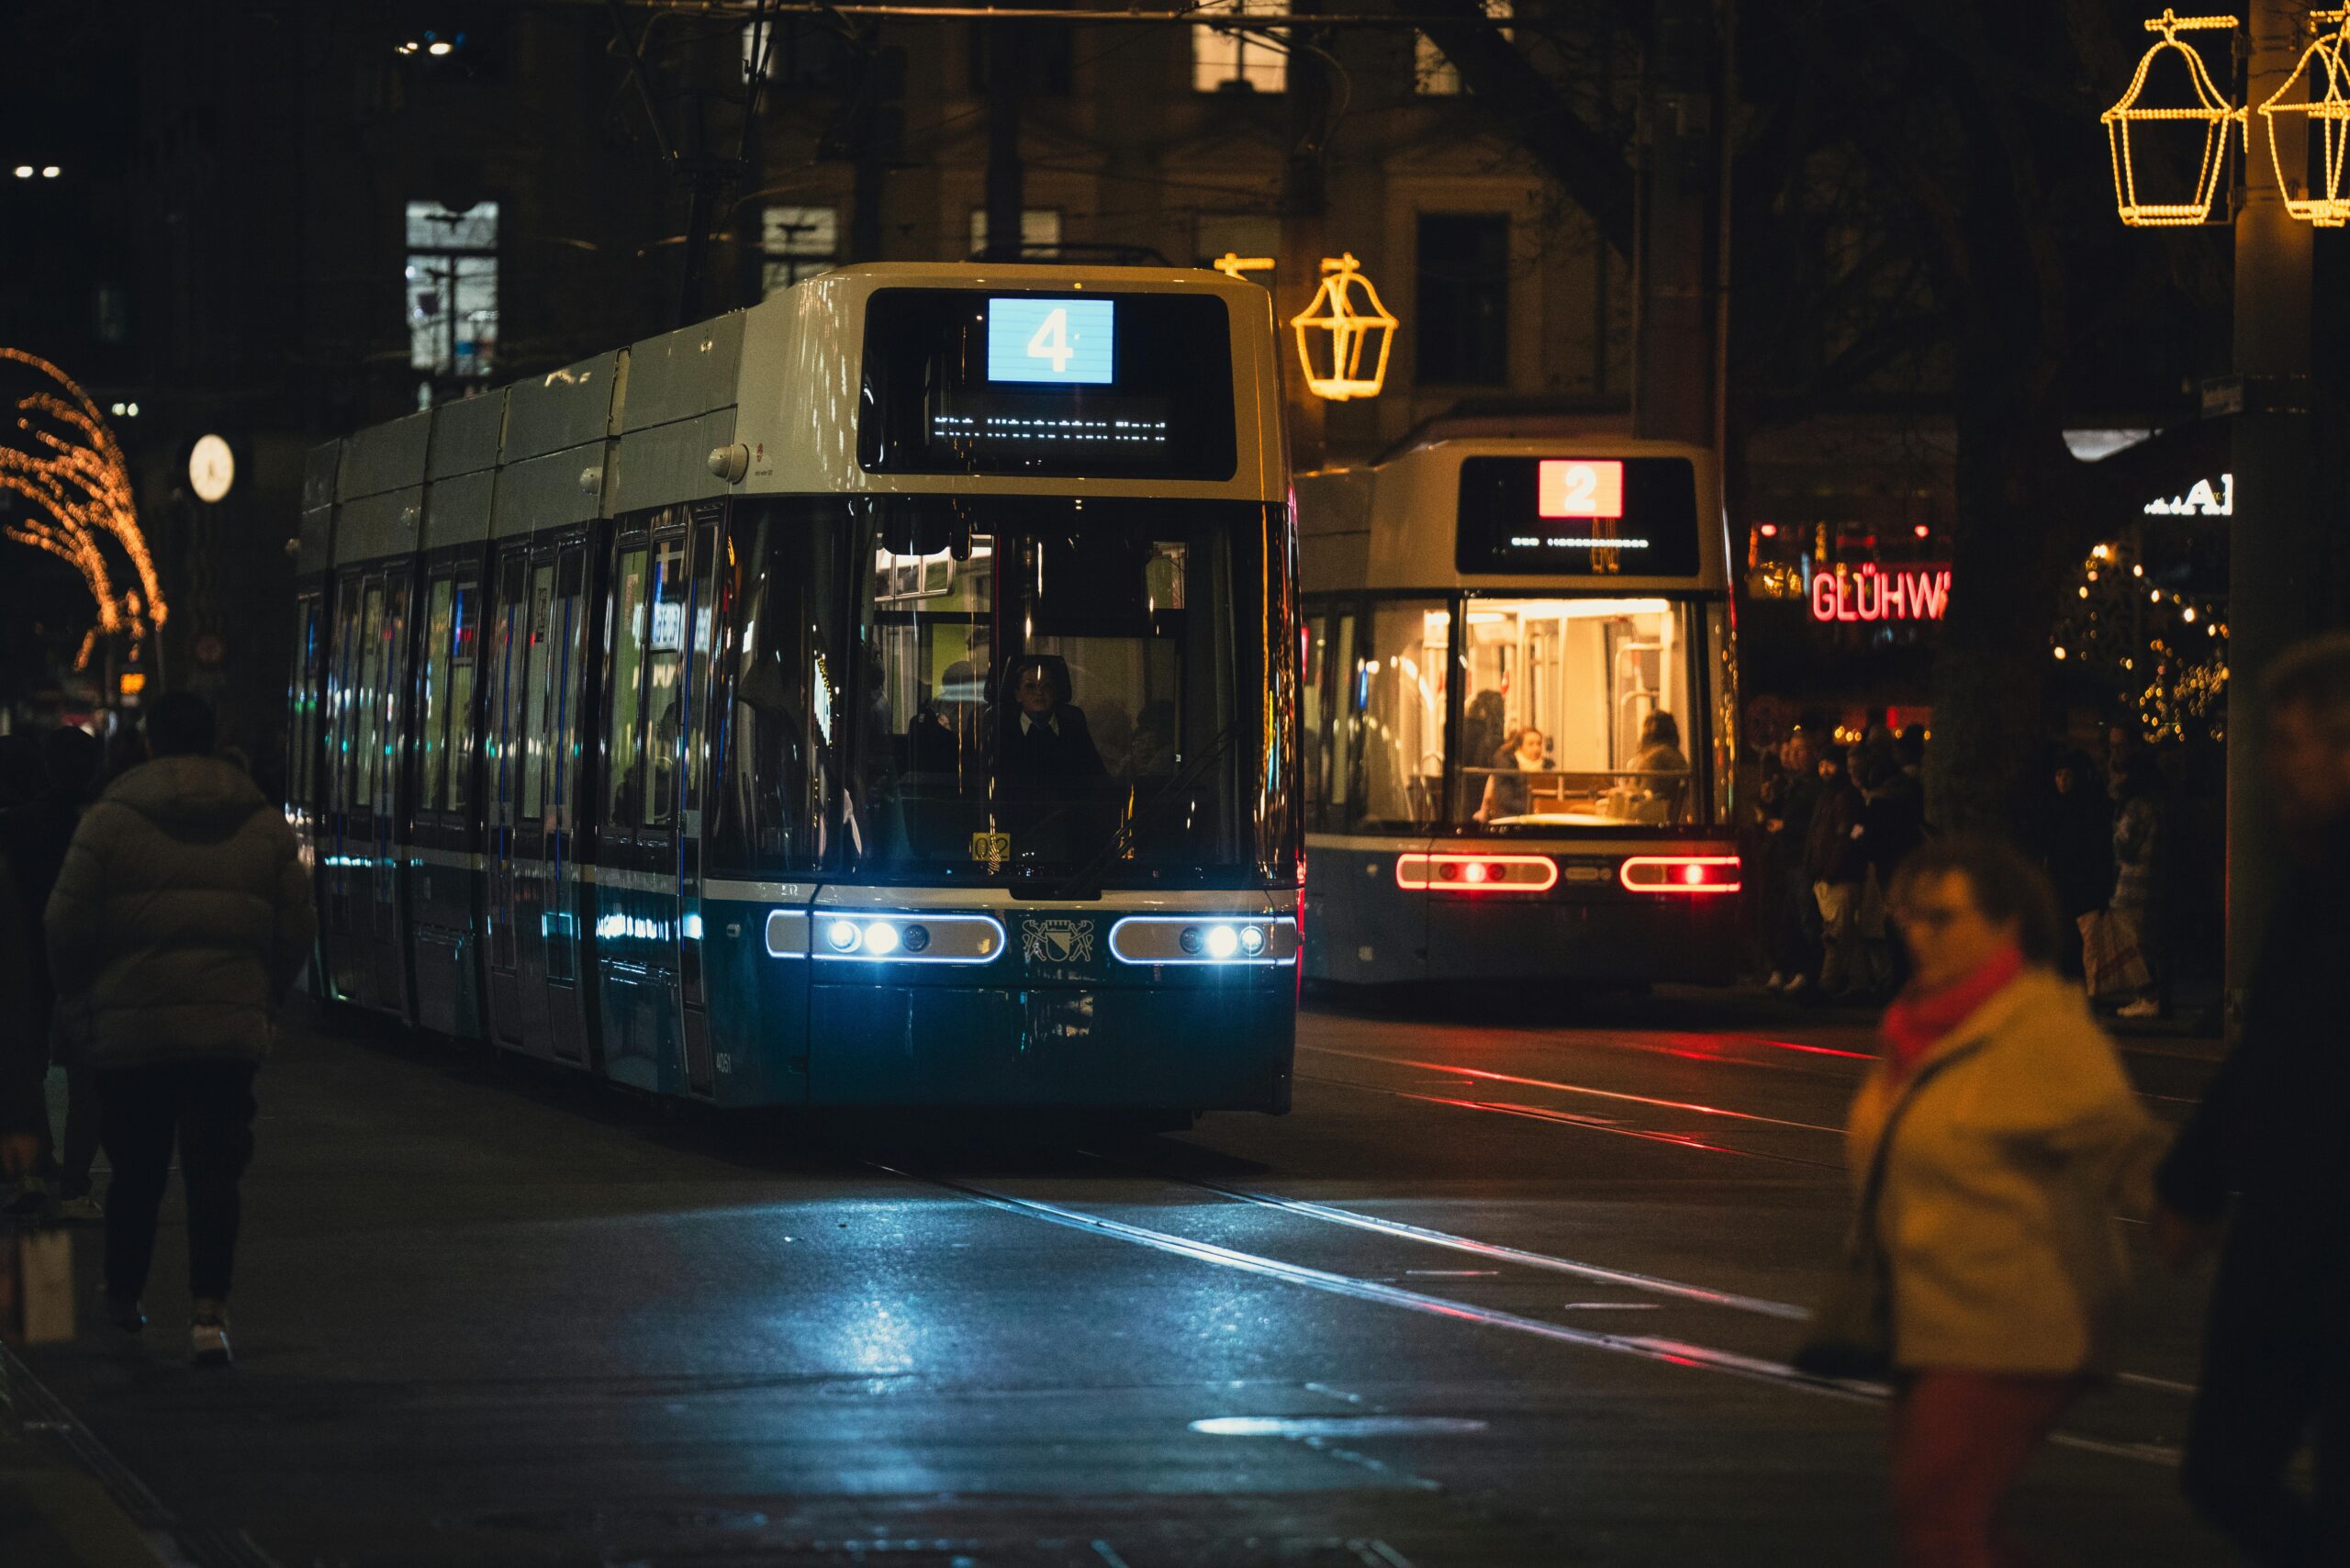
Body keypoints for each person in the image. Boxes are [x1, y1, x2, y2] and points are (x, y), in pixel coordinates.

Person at [1847, 835, 2163, 1567]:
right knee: (1947, 1522)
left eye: (1941, 917)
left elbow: (2122, 1143)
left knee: (1944, 1523)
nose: (1917, 933)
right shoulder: (1920, 1026)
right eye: (1907, 916)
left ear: (2007, 925)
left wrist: (2187, 1208)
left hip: (2011, 1324)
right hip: (1931, 1321)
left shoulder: (2037, 1027)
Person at [45, 692, 316, 1367]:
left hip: (132, 1029)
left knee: (136, 1169)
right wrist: (264, 998)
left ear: (149, 743)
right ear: (214, 737)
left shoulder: (109, 820)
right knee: (216, 1169)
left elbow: (64, 925)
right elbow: (295, 926)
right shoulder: (262, 821)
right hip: (226, 1027)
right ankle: (208, 1312)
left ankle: (125, 1298)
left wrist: (81, 1004)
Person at [2154, 633, 2350, 1564]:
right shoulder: (2315, 874)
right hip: (2302, 1221)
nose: (2273, 764)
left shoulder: (2323, 883)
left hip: (2311, 1227)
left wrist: (2193, 1183)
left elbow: (2286, 1049)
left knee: (2230, 1468)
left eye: (2291, 740)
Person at [1, 724, 105, 1220]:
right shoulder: (103, 825)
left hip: (26, 960)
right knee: (88, 1077)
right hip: (86, 962)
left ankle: (33, 1167)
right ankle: (75, 1184)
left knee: (25, 1070)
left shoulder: (17, 825)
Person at [2042, 748, 2114, 980]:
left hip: (2082, 884)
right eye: (2058, 775)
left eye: (2067, 775)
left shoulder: (2088, 809)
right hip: (2062, 882)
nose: (2061, 781)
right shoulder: (2056, 807)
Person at [1803, 745, 1867, 1000]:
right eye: (1821, 765)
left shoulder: (1844, 797)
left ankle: (1827, 984)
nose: (1824, 770)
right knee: (1845, 933)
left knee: (1836, 934)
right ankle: (1858, 983)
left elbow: (1847, 836)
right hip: (1829, 874)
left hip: (1840, 876)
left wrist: (1830, 869)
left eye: (1830, 764)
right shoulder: (1828, 796)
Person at [2108, 750, 2165, 1019]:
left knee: (2130, 943)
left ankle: (2148, 996)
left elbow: (2123, 844)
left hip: (2133, 883)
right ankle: (2149, 996)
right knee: (2143, 942)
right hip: (2149, 881)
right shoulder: (2155, 804)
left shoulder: (2136, 807)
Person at [1765, 730, 1823, 991]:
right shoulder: (1794, 783)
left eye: (1800, 751)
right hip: (1787, 858)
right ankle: (1786, 968)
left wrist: (1786, 826)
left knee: (1805, 917)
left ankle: (1808, 972)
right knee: (1788, 917)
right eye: (1792, 751)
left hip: (1803, 858)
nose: (1795, 757)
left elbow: (1816, 825)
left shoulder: (1815, 786)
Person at [996, 655, 1107, 782]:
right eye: (1030, 686)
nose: (1039, 692)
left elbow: (1098, 782)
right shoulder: (1000, 731)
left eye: (1046, 685)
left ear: (1054, 692)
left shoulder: (1074, 730)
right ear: (1018, 695)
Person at [1476, 725, 1550, 823]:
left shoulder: (1547, 767)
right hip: (1511, 818)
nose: (1536, 749)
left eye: (1539, 744)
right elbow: (1505, 800)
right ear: (1520, 746)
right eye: (1531, 744)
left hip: (1540, 817)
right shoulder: (1507, 766)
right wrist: (1533, 808)